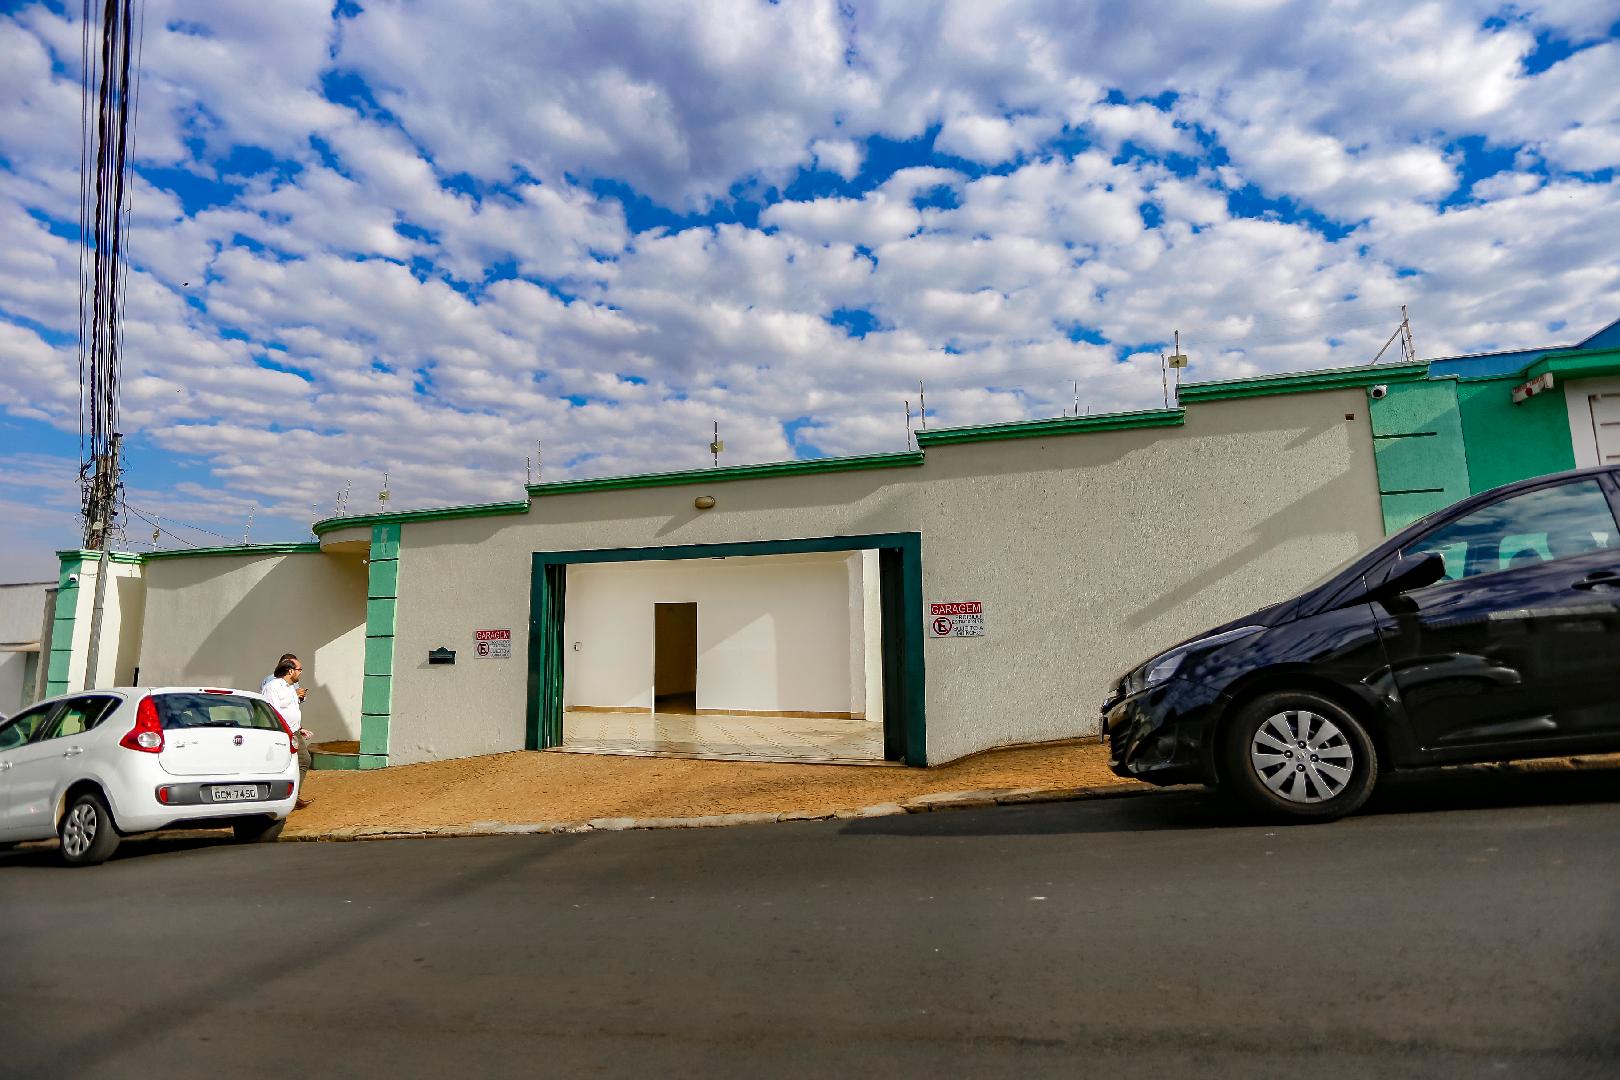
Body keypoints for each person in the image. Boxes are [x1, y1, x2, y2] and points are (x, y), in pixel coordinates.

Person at [262, 655, 313, 809]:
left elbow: (292, 708)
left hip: (294, 732)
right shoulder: (272, 687)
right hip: (283, 734)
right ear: (290, 671)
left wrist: (300, 727)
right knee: (284, 764)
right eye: (299, 669)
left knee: (303, 761)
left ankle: (292, 796)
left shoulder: (291, 687)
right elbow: (272, 712)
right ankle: (281, 798)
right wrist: (283, 733)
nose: (301, 673)